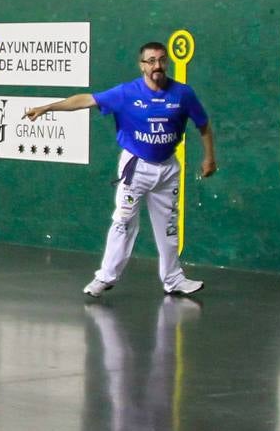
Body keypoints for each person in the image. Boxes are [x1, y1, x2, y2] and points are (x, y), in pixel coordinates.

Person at [24, 41, 217, 297]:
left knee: (169, 226)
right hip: (136, 167)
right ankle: (105, 277)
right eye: (151, 61)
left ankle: (173, 279)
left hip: (168, 168)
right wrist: (47, 108)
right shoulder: (127, 93)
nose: (157, 65)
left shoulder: (183, 94)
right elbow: (85, 100)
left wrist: (209, 158)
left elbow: (202, 125)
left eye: (161, 60)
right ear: (142, 66)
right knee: (123, 222)